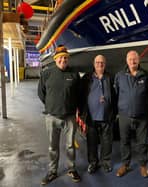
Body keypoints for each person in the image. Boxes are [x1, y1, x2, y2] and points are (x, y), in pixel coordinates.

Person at [38, 45, 81, 185]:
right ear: (55, 59)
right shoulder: (47, 73)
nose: (63, 60)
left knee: (70, 145)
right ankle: (52, 171)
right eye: (60, 57)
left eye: (65, 58)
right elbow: (41, 92)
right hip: (52, 117)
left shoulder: (74, 74)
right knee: (53, 146)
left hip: (69, 117)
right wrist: (51, 105)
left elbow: (78, 94)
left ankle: (71, 168)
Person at [114, 50, 148, 178]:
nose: (133, 61)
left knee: (142, 142)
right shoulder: (119, 76)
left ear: (139, 60)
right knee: (124, 141)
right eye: (130, 59)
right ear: (126, 61)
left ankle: (143, 165)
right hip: (124, 116)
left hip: (142, 116)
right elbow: (116, 93)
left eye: (135, 59)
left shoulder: (146, 76)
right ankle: (125, 165)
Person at [79, 55, 115, 174]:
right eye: (98, 62)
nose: (100, 64)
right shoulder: (87, 78)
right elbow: (80, 96)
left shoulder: (110, 77)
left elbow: (116, 95)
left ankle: (105, 162)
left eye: (102, 62)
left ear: (105, 64)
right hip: (91, 117)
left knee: (107, 141)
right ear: (94, 64)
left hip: (106, 116)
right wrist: (81, 113)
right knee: (92, 142)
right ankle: (93, 163)